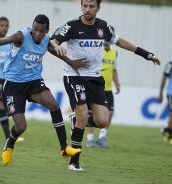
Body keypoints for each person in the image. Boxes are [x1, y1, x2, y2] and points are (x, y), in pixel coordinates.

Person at [51, 0, 160, 171]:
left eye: (91, 6)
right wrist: (63, 53)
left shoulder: (104, 27)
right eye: (84, 6)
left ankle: (77, 121)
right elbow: (52, 42)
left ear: (98, 8)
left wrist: (145, 54)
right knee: (81, 115)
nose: (87, 9)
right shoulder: (71, 26)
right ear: (81, 7)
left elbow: (121, 42)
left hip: (95, 79)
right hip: (75, 77)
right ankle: (74, 162)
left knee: (102, 121)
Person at [0, 14, 86, 166]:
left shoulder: (46, 40)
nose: (38, 34)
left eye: (41, 31)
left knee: (53, 104)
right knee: (21, 127)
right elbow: (8, 39)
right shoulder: (22, 36)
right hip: (13, 85)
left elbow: (55, 52)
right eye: (35, 30)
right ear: (32, 27)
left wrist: (72, 63)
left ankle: (64, 148)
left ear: (47, 31)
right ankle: (10, 144)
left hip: (33, 82)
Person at [86, 39, 120, 148]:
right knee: (91, 114)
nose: (108, 40)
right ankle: (90, 139)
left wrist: (117, 83)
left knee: (109, 113)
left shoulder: (115, 53)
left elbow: (114, 70)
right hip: (96, 88)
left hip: (108, 89)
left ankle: (102, 137)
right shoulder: (97, 50)